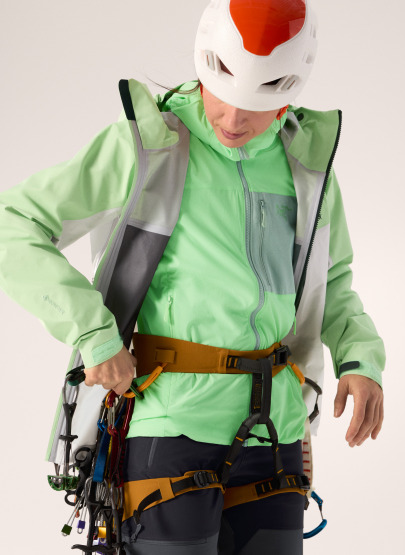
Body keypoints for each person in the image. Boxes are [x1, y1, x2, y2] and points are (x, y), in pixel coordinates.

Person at [0, 0, 385, 554]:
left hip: (273, 428)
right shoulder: (148, 146)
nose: (233, 119)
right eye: (221, 96)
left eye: (256, 106)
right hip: (170, 421)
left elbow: (334, 279)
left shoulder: (305, 165)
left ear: (287, 94)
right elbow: (14, 224)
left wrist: (360, 359)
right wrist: (93, 332)